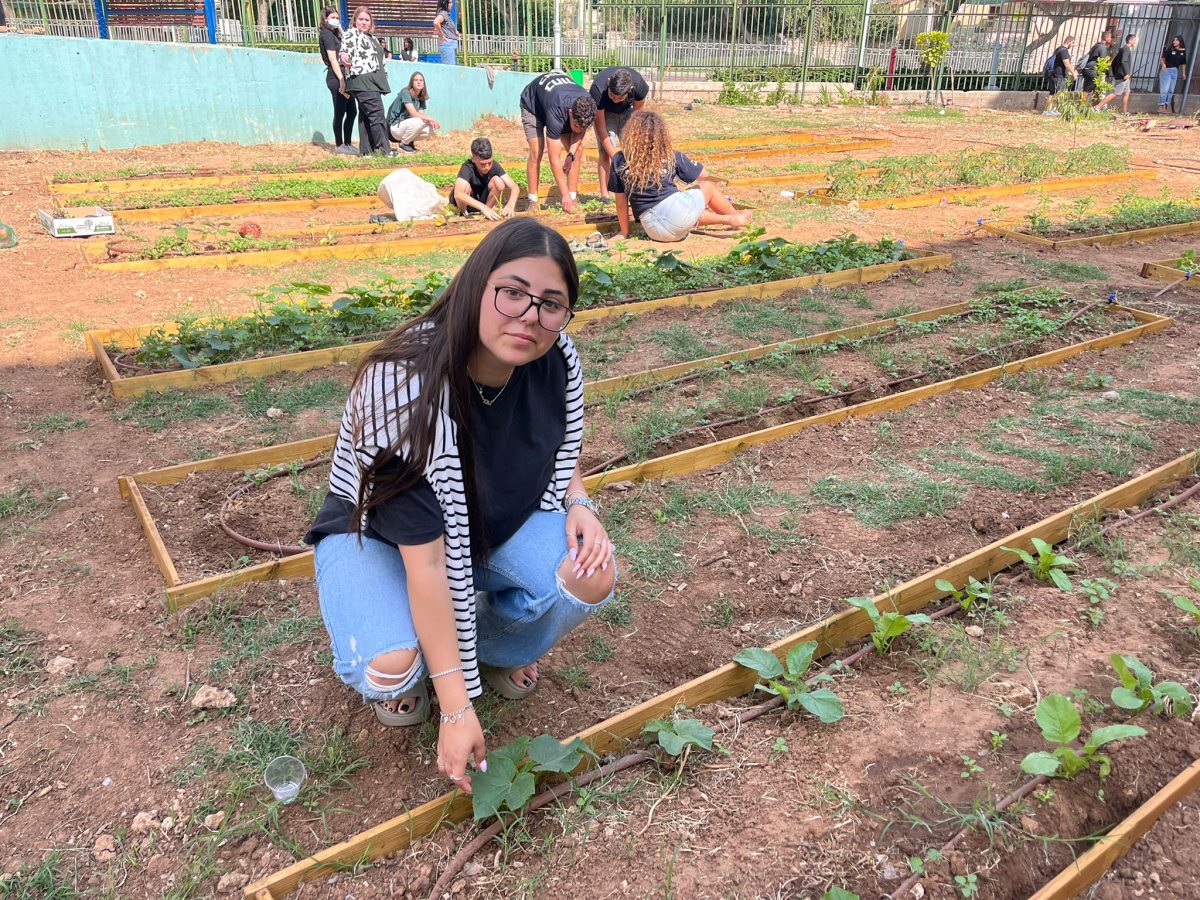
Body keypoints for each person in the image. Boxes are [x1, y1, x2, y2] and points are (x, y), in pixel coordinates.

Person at [305, 218, 616, 793]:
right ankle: (421, 664)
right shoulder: (402, 389)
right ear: (478, 283)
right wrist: (456, 706)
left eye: (552, 303)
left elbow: (561, 443)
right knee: (392, 665)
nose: (529, 317)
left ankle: (494, 647)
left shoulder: (557, 360)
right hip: (382, 542)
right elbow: (426, 564)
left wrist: (578, 501)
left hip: (485, 532)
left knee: (591, 573)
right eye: (513, 292)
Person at [610, 110, 751, 243]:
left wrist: (624, 232)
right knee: (707, 188)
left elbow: (621, 202)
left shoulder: (619, 159)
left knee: (682, 212)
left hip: (654, 230)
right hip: (678, 220)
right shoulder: (670, 155)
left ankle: (729, 219)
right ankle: (736, 220)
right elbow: (704, 175)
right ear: (661, 135)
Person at [519, 71, 596, 214]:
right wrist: (563, 194)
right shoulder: (558, 111)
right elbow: (554, 158)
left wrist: (571, 155)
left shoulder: (589, 105)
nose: (579, 130)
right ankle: (532, 200)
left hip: (555, 102)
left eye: (582, 127)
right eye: (576, 126)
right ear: (571, 113)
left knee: (578, 151)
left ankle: (573, 198)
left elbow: (580, 131)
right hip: (533, 105)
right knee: (537, 151)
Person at [340, 6, 395, 156]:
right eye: (361, 19)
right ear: (355, 21)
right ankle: (384, 150)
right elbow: (345, 50)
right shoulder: (352, 33)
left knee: (366, 115)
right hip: (362, 79)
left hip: (371, 82)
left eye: (367, 20)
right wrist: (343, 55)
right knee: (377, 113)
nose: (364, 22)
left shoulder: (372, 38)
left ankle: (367, 151)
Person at [589, 67, 649, 201]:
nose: (615, 100)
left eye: (620, 97)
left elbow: (636, 119)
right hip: (605, 113)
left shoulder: (639, 86)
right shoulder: (598, 89)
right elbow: (600, 128)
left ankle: (635, 188)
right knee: (605, 152)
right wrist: (616, 157)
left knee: (633, 150)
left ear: (630, 89)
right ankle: (604, 195)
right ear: (609, 83)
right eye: (612, 96)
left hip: (628, 112)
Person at [450, 138, 519, 220]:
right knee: (465, 187)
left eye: (490, 163)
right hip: (465, 204)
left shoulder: (494, 165)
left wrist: (510, 205)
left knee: (499, 182)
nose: (487, 167)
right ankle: (463, 213)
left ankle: (487, 213)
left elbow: (514, 187)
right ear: (473, 159)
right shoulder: (467, 167)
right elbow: (458, 194)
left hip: (483, 205)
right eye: (482, 164)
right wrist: (483, 207)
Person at [319, 8, 357, 154]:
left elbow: (347, 40)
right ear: (325, 19)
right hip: (336, 76)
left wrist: (340, 28)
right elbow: (333, 60)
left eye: (337, 17)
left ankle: (347, 143)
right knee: (340, 112)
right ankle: (339, 144)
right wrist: (341, 79)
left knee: (352, 111)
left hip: (345, 74)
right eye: (332, 17)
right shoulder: (326, 34)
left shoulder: (336, 34)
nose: (336, 19)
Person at [388, 71, 440, 153]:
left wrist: (430, 122)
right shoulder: (405, 93)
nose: (419, 82)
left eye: (421, 80)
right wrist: (432, 119)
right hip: (395, 128)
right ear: (412, 82)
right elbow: (414, 113)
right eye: (416, 80)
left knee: (433, 129)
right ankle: (404, 145)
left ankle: (409, 143)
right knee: (418, 121)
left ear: (424, 84)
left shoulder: (421, 96)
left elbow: (421, 115)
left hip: (406, 126)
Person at [1098, 34, 1138, 114]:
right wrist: (1126, 73)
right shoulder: (1126, 49)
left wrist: (1116, 73)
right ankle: (1097, 107)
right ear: (1130, 41)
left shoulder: (1122, 49)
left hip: (1121, 74)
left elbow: (1113, 63)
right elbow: (1124, 61)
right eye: (1134, 40)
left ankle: (1124, 112)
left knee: (1127, 92)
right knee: (1116, 92)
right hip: (1123, 76)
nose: (1135, 42)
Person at [1042, 36, 1077, 116]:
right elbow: (1067, 64)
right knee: (1054, 94)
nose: (1073, 45)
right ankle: (1047, 111)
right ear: (1069, 42)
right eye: (1073, 43)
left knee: (1056, 93)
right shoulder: (1064, 51)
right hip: (1058, 75)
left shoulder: (1059, 49)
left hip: (1054, 74)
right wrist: (1073, 73)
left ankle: (1054, 109)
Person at [1160, 36, 1188, 114]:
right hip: (1167, 70)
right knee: (1165, 89)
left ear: (1180, 42)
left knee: (1171, 90)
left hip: (1175, 71)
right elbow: (1162, 58)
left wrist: (1183, 73)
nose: (1174, 41)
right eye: (1174, 40)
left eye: (1176, 40)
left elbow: (1183, 63)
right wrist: (1163, 65)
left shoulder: (1183, 51)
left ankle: (1166, 107)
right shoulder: (1170, 50)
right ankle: (1161, 107)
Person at [1080, 32, 1114, 97]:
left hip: (1087, 69)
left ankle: (1086, 104)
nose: (1110, 39)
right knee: (1088, 89)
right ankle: (1082, 104)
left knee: (1089, 88)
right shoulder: (1102, 47)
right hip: (1092, 70)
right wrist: (1110, 63)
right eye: (1110, 37)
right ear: (1106, 38)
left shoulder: (1096, 45)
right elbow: (1102, 62)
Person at [433, 0, 459, 66]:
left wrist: (455, 32)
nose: (451, 4)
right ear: (445, 4)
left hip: (450, 44)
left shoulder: (447, 15)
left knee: (452, 66)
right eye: (449, 3)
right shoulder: (443, 13)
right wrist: (442, 35)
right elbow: (436, 22)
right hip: (448, 44)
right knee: (450, 67)